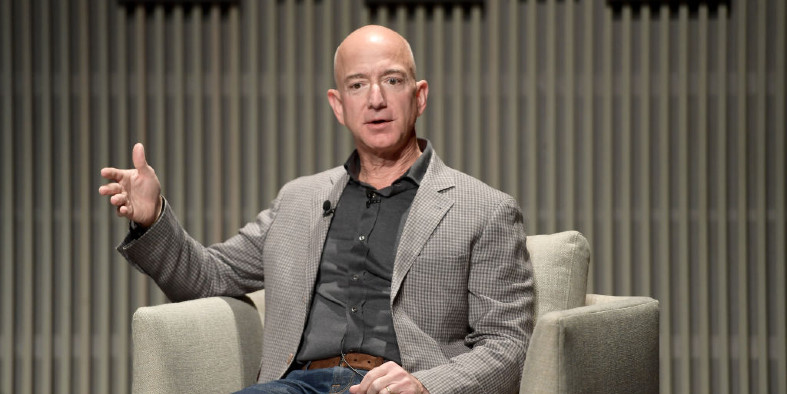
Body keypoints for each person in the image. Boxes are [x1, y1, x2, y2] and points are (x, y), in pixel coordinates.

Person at [99, 25, 533, 394]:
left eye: (393, 81)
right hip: (297, 385)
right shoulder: (299, 200)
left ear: (419, 97)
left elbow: (507, 346)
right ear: (338, 105)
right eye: (357, 84)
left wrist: (426, 385)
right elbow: (210, 276)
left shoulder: (484, 210)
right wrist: (153, 216)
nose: (376, 99)